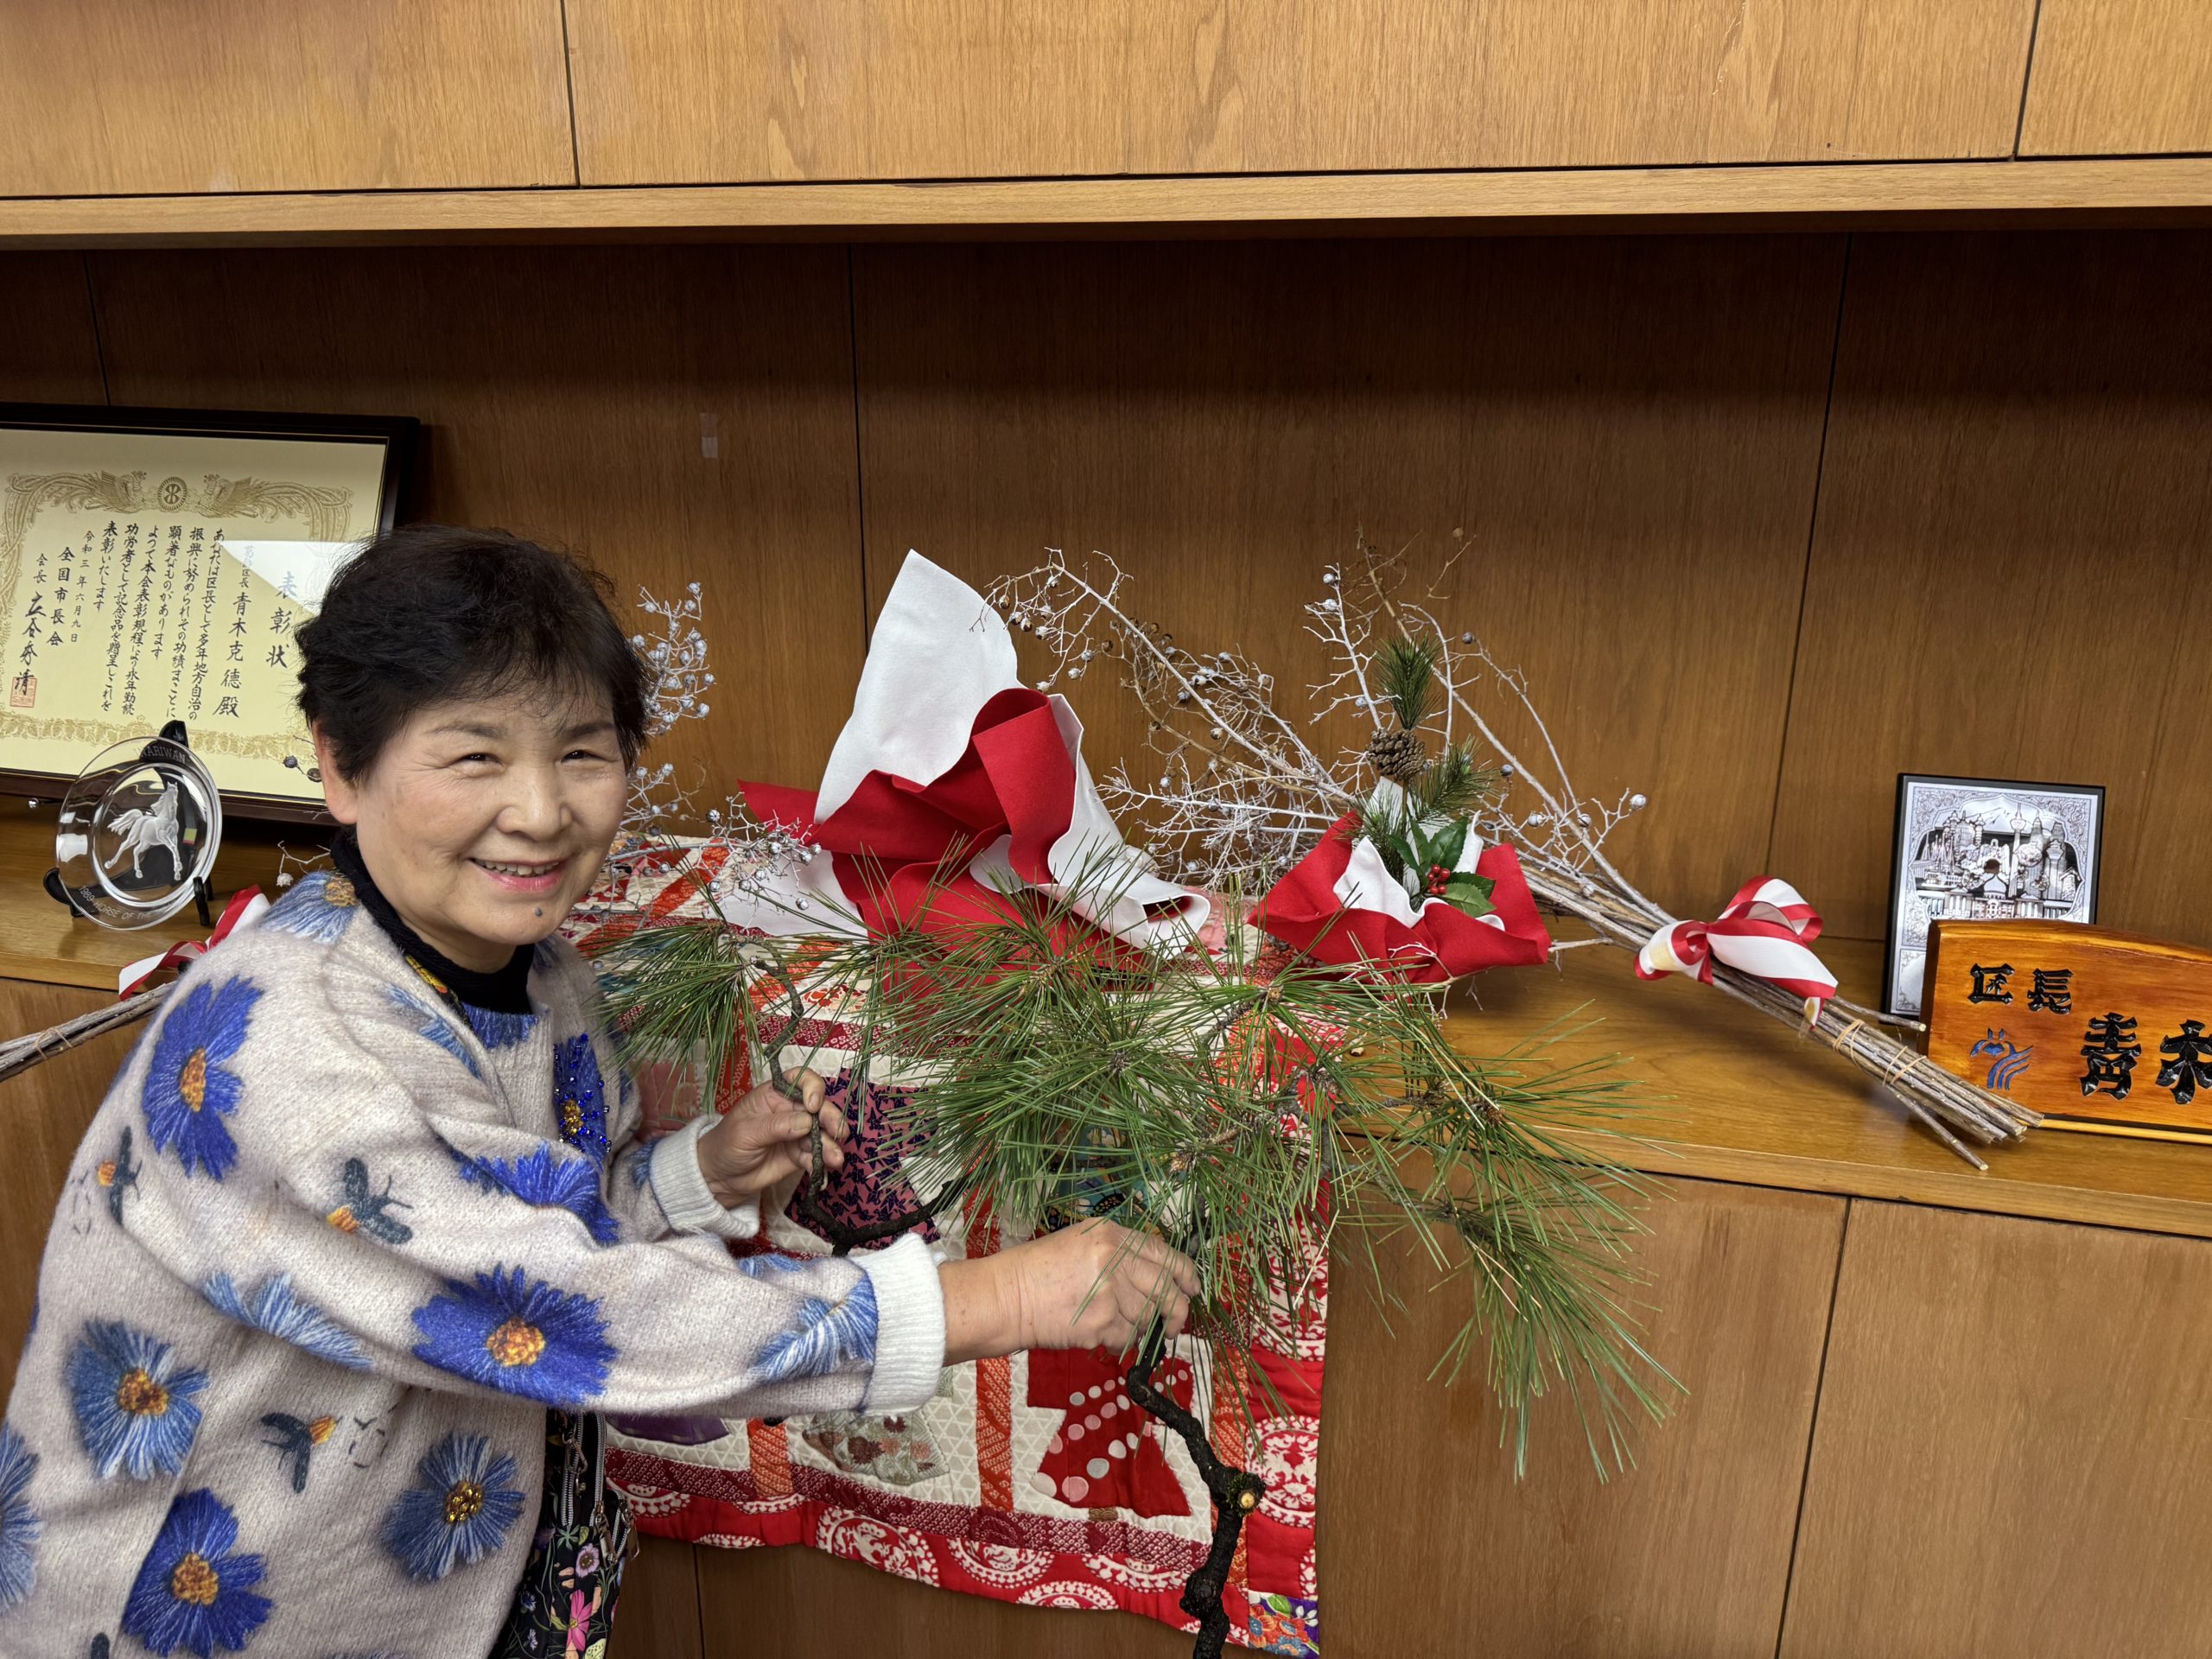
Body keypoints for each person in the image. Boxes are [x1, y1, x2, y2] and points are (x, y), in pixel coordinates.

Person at [0, 526, 1197, 1658]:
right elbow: (557, 1304)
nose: (541, 812)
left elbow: (533, 1211)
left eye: (581, 752)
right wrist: (990, 1300)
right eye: (474, 755)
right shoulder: (287, 1054)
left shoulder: (540, 970)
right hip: (193, 1613)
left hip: (438, 1583)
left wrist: (691, 1176)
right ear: (339, 768)